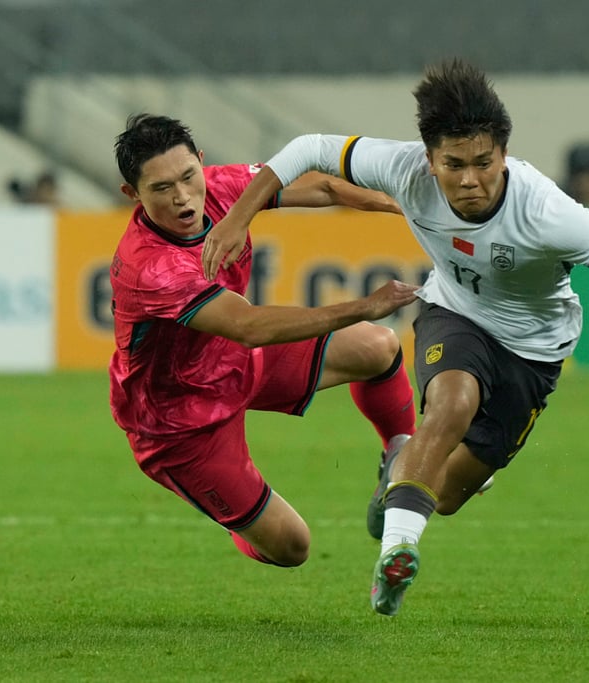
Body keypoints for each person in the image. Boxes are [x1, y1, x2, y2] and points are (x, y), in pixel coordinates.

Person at [200, 60, 589, 616]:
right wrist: (239, 216)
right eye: (453, 164)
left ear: (504, 155)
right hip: (453, 314)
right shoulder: (402, 169)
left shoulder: (547, 213)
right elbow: (309, 147)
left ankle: (402, 462)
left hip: (533, 354)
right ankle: (396, 557)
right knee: (452, 403)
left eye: (484, 163)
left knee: (448, 494)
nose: (469, 179)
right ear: (429, 159)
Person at [109, 113, 421, 570]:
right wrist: (362, 306)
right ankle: (233, 517)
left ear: (201, 161)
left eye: (188, 177)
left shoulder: (219, 188)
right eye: (160, 189)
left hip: (236, 362)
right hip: (179, 421)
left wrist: (405, 206)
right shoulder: (150, 268)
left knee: (379, 347)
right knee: (292, 547)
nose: (182, 197)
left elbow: (324, 187)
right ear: (132, 194)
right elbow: (250, 326)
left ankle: (400, 459)